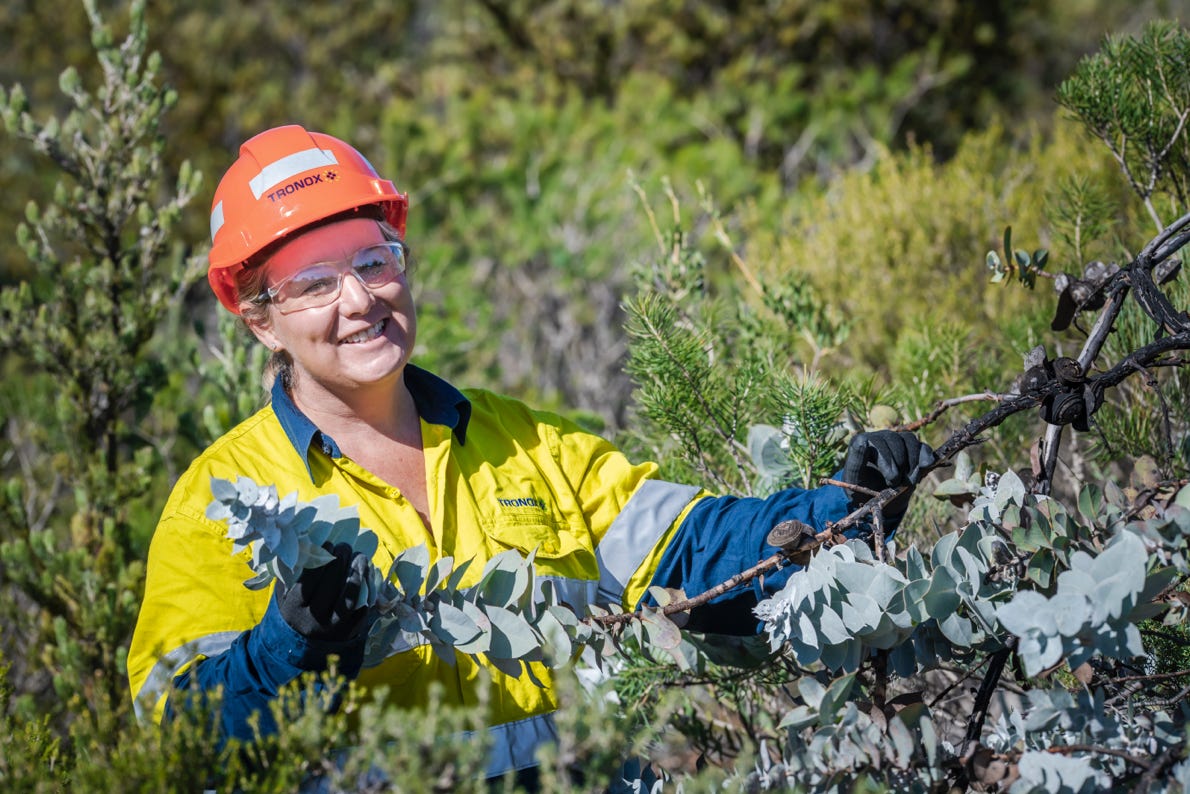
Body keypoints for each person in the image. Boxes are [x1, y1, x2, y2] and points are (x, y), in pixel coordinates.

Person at [126, 124, 935, 781]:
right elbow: (181, 736)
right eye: (313, 283)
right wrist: (293, 642)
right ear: (259, 319)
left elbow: (695, 552)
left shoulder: (524, 442)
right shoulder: (218, 499)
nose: (361, 299)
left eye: (375, 261)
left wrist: (839, 510)